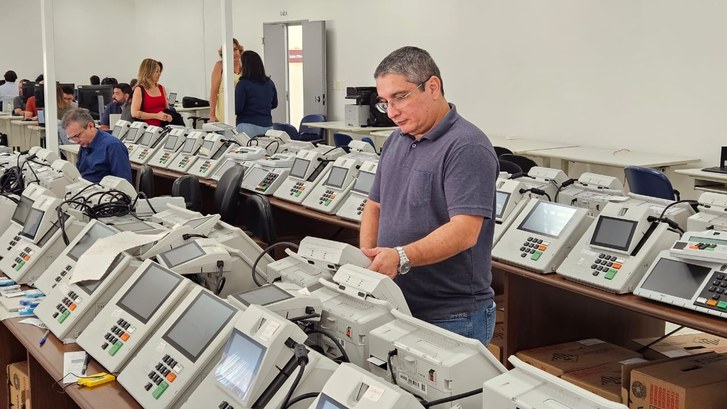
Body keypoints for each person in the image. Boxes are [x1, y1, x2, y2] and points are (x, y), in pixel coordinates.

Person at [359, 46, 499, 345]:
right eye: (385, 103)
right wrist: (369, 261)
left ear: (432, 87)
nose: (392, 112)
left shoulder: (467, 147)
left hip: (451, 316)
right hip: (396, 302)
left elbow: (464, 232)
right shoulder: (396, 141)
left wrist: (400, 257)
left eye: (400, 97)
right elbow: (374, 205)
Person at [61, 108, 131, 183]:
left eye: (77, 136)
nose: (76, 141)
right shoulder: (84, 145)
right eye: (71, 138)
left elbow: (124, 184)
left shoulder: (113, 146)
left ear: (90, 126)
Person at [234, 50, 277, 137]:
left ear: (245, 65)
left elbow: (238, 108)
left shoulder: (242, 84)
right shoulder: (269, 83)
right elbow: (274, 104)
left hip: (247, 126)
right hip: (267, 126)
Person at [209, 38, 243, 123]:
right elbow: (213, 91)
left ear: (239, 50)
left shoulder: (245, 67)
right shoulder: (220, 66)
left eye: (235, 49)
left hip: (241, 110)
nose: (233, 53)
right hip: (224, 109)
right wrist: (212, 115)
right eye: (229, 50)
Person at [130, 58, 171, 127]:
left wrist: (168, 116)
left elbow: (166, 108)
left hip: (163, 127)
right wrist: (155, 116)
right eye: (156, 71)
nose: (159, 74)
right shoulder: (139, 89)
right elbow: (134, 113)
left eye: (160, 71)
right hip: (147, 129)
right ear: (148, 72)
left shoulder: (161, 88)